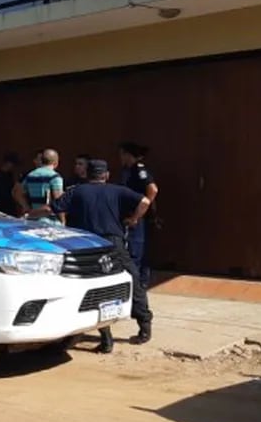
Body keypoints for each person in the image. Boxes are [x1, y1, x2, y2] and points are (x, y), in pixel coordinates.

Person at [28, 159, 154, 353]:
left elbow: (51, 208)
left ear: (87, 174)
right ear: (106, 175)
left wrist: (28, 214)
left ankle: (106, 338)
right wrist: (134, 219)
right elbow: (145, 201)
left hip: (87, 245)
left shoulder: (77, 191)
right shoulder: (117, 190)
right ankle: (144, 326)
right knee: (132, 279)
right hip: (113, 243)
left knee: (95, 288)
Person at [119, 141, 159, 289]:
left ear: (128, 155)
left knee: (136, 252)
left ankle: (139, 285)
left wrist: (142, 209)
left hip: (138, 216)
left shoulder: (139, 170)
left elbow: (152, 189)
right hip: (131, 215)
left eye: (122, 154)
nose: (120, 158)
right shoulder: (127, 170)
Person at [15, 148, 65, 225]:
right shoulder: (55, 177)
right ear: (56, 163)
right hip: (51, 221)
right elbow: (58, 200)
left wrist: (27, 208)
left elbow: (18, 193)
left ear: (41, 160)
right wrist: (63, 220)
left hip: (33, 220)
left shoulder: (30, 175)